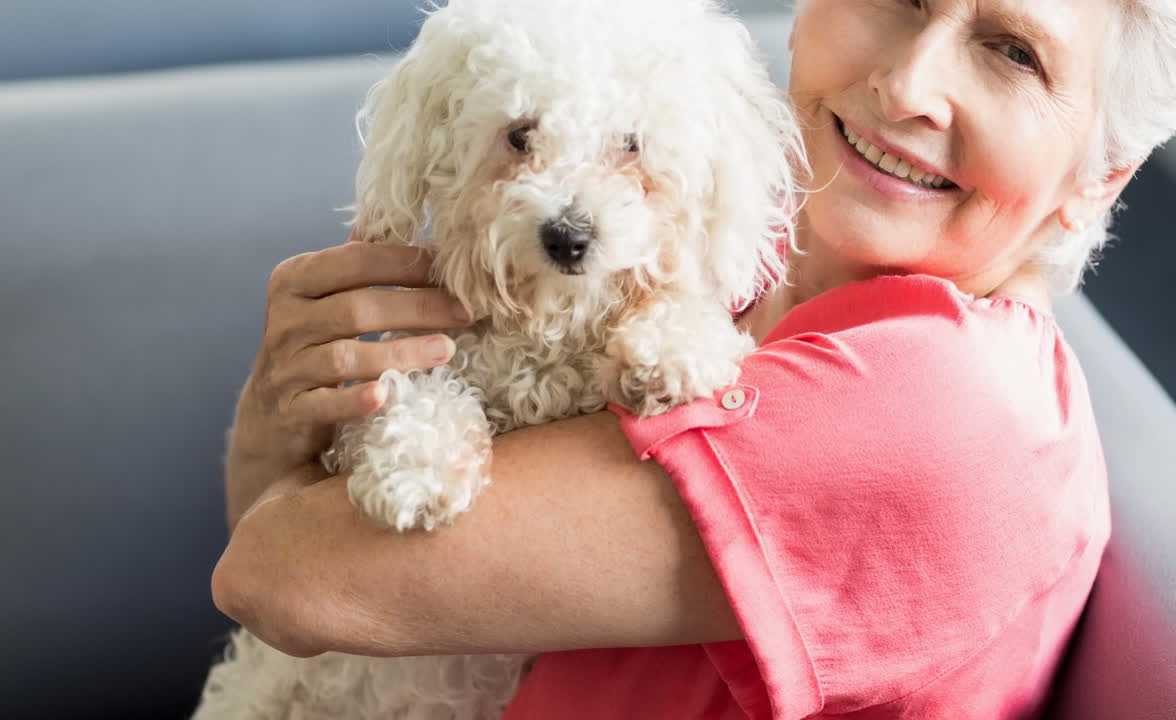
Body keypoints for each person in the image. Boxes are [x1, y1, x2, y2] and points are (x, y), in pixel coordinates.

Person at [211, 0, 1176, 717]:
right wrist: (280, 418)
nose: (909, 84)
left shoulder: (943, 414)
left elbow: (280, 577)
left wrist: (278, 474)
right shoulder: (738, 275)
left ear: (1100, 178)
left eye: (1014, 53)